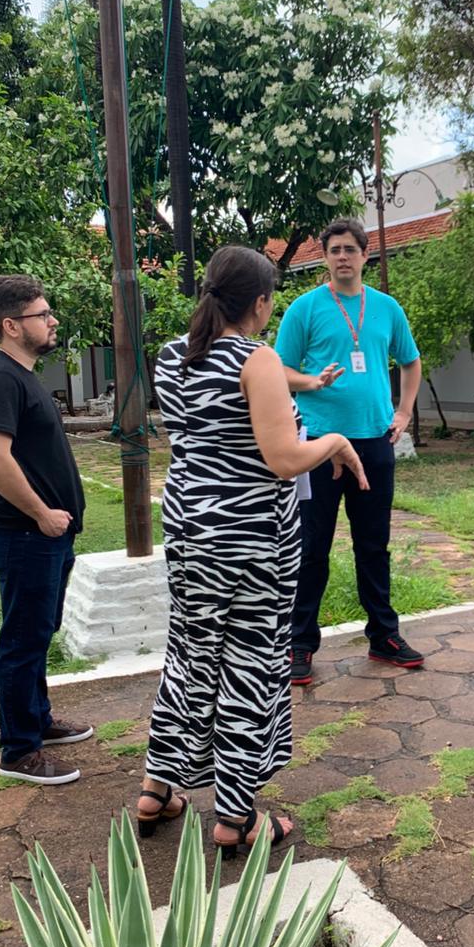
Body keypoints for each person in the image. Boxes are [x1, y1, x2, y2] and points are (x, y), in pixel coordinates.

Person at [138, 246, 368, 856]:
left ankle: (157, 788)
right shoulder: (256, 358)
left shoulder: (171, 357)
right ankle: (236, 819)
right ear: (261, 303)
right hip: (251, 541)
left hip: (189, 529)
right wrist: (335, 441)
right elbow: (283, 458)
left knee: (188, 656)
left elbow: (209, 438)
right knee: (250, 669)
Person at [275, 217, 424, 685]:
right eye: (334, 249)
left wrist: (403, 414)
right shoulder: (305, 309)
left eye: (350, 249)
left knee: (373, 545)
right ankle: (300, 644)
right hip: (318, 446)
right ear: (325, 256)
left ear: (365, 256)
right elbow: (278, 371)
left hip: (374, 441)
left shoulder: (386, 309)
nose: (342, 256)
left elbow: (411, 361)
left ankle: (384, 635)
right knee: (312, 547)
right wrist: (312, 381)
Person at [0, 276, 91, 786]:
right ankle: (18, 751)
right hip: (25, 535)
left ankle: (38, 719)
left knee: (37, 633)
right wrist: (41, 513)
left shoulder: (22, 375)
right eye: (43, 314)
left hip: (45, 537)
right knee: (21, 639)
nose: (52, 319)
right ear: (11, 325)